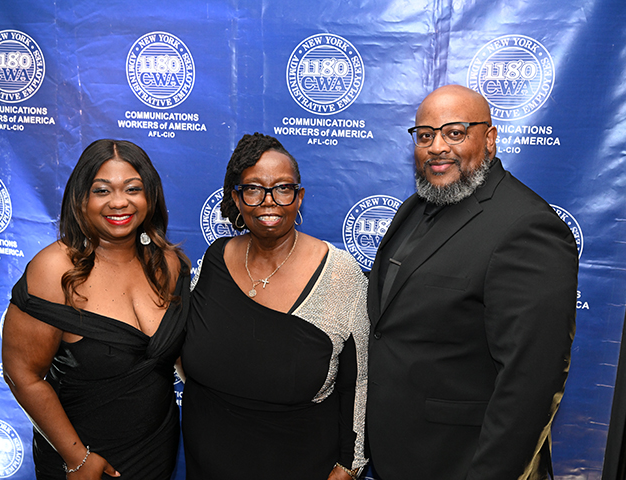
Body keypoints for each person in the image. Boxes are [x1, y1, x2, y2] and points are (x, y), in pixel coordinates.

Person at [366, 85, 578, 480]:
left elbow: (531, 382)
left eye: (455, 132)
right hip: (401, 455)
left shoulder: (527, 227)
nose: (437, 147)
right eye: (425, 135)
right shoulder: (416, 206)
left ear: (490, 139)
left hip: (463, 462)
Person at [180, 133, 369, 480]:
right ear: (236, 198)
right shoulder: (214, 260)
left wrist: (350, 464)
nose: (269, 201)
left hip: (301, 464)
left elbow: (358, 382)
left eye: (283, 188)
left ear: (299, 197)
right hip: (207, 461)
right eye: (253, 189)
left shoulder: (340, 273)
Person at [1, 139, 189, 479]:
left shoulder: (169, 264)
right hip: (82, 459)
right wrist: (77, 458)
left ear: (150, 196)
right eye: (102, 190)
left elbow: (184, 358)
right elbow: (22, 374)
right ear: (81, 198)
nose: (119, 202)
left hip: (156, 451)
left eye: (133, 189)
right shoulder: (53, 269)